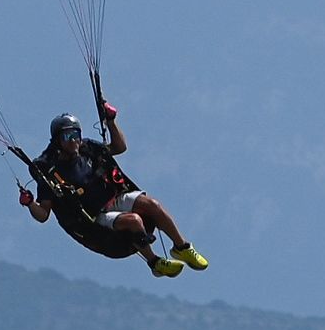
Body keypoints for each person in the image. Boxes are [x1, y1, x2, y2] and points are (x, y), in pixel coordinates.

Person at [19, 97, 209, 277]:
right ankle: (155, 263)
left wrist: (110, 120)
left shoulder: (87, 149)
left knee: (153, 205)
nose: (74, 140)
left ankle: (181, 247)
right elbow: (43, 214)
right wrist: (29, 203)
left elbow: (119, 147)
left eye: (76, 134)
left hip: (115, 198)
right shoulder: (50, 170)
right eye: (68, 136)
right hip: (96, 216)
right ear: (58, 141)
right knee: (134, 220)